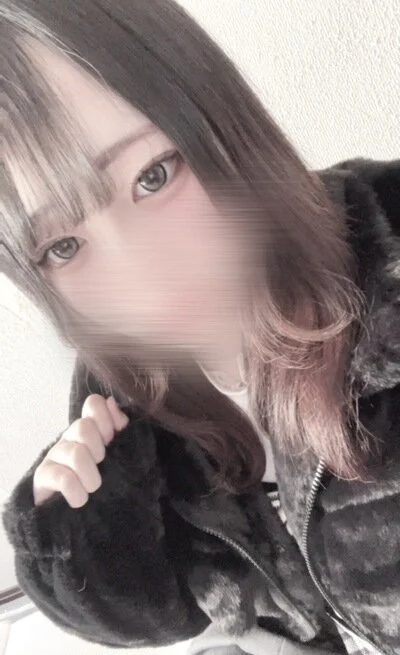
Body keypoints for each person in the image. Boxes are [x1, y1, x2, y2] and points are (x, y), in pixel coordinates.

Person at [1, 1, 399, 654]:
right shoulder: (121, 385)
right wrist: (76, 537)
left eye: (152, 177)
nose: (144, 277)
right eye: (63, 247)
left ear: (217, 118)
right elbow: (166, 615)